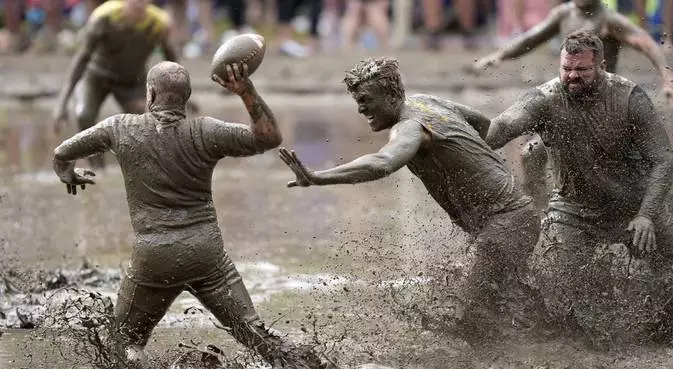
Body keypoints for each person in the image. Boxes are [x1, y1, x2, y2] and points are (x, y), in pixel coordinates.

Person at [52, 61, 328, 369]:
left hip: (153, 257)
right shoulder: (205, 130)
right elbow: (268, 137)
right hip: (206, 254)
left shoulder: (119, 128)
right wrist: (246, 91)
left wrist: (69, 175)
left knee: (123, 345)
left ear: (150, 94)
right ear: (186, 98)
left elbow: (62, 153)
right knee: (256, 335)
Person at [278, 57, 540, 334]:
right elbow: (484, 124)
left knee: (472, 318)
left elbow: (383, 163)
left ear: (391, 95)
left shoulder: (410, 126)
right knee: (506, 298)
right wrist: (469, 160)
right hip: (514, 216)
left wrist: (318, 177)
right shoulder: (428, 101)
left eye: (365, 99)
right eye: (356, 100)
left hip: (506, 223)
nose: (359, 108)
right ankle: (555, 338)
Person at [484, 31, 673, 342]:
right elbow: (502, 127)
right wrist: (459, 138)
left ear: (602, 66)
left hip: (632, 206)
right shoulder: (546, 98)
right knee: (559, 295)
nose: (572, 77)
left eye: (582, 70)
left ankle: (662, 334)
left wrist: (646, 214)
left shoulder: (629, 97)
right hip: (572, 210)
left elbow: (665, 161)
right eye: (566, 69)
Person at [472, 0, 673, 207]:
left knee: (630, 165)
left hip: (604, 106)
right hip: (567, 102)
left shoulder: (609, 19)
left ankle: (651, 203)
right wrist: (499, 55)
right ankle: (539, 208)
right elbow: (531, 39)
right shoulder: (563, 14)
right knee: (530, 152)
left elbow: (648, 45)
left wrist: (668, 80)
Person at [52, 0, 198, 170]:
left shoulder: (158, 23)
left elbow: (173, 61)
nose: (137, 4)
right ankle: (98, 171)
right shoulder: (104, 17)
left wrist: (184, 96)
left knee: (152, 122)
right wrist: (61, 103)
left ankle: (147, 170)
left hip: (131, 82)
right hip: (96, 76)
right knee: (84, 114)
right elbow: (81, 58)